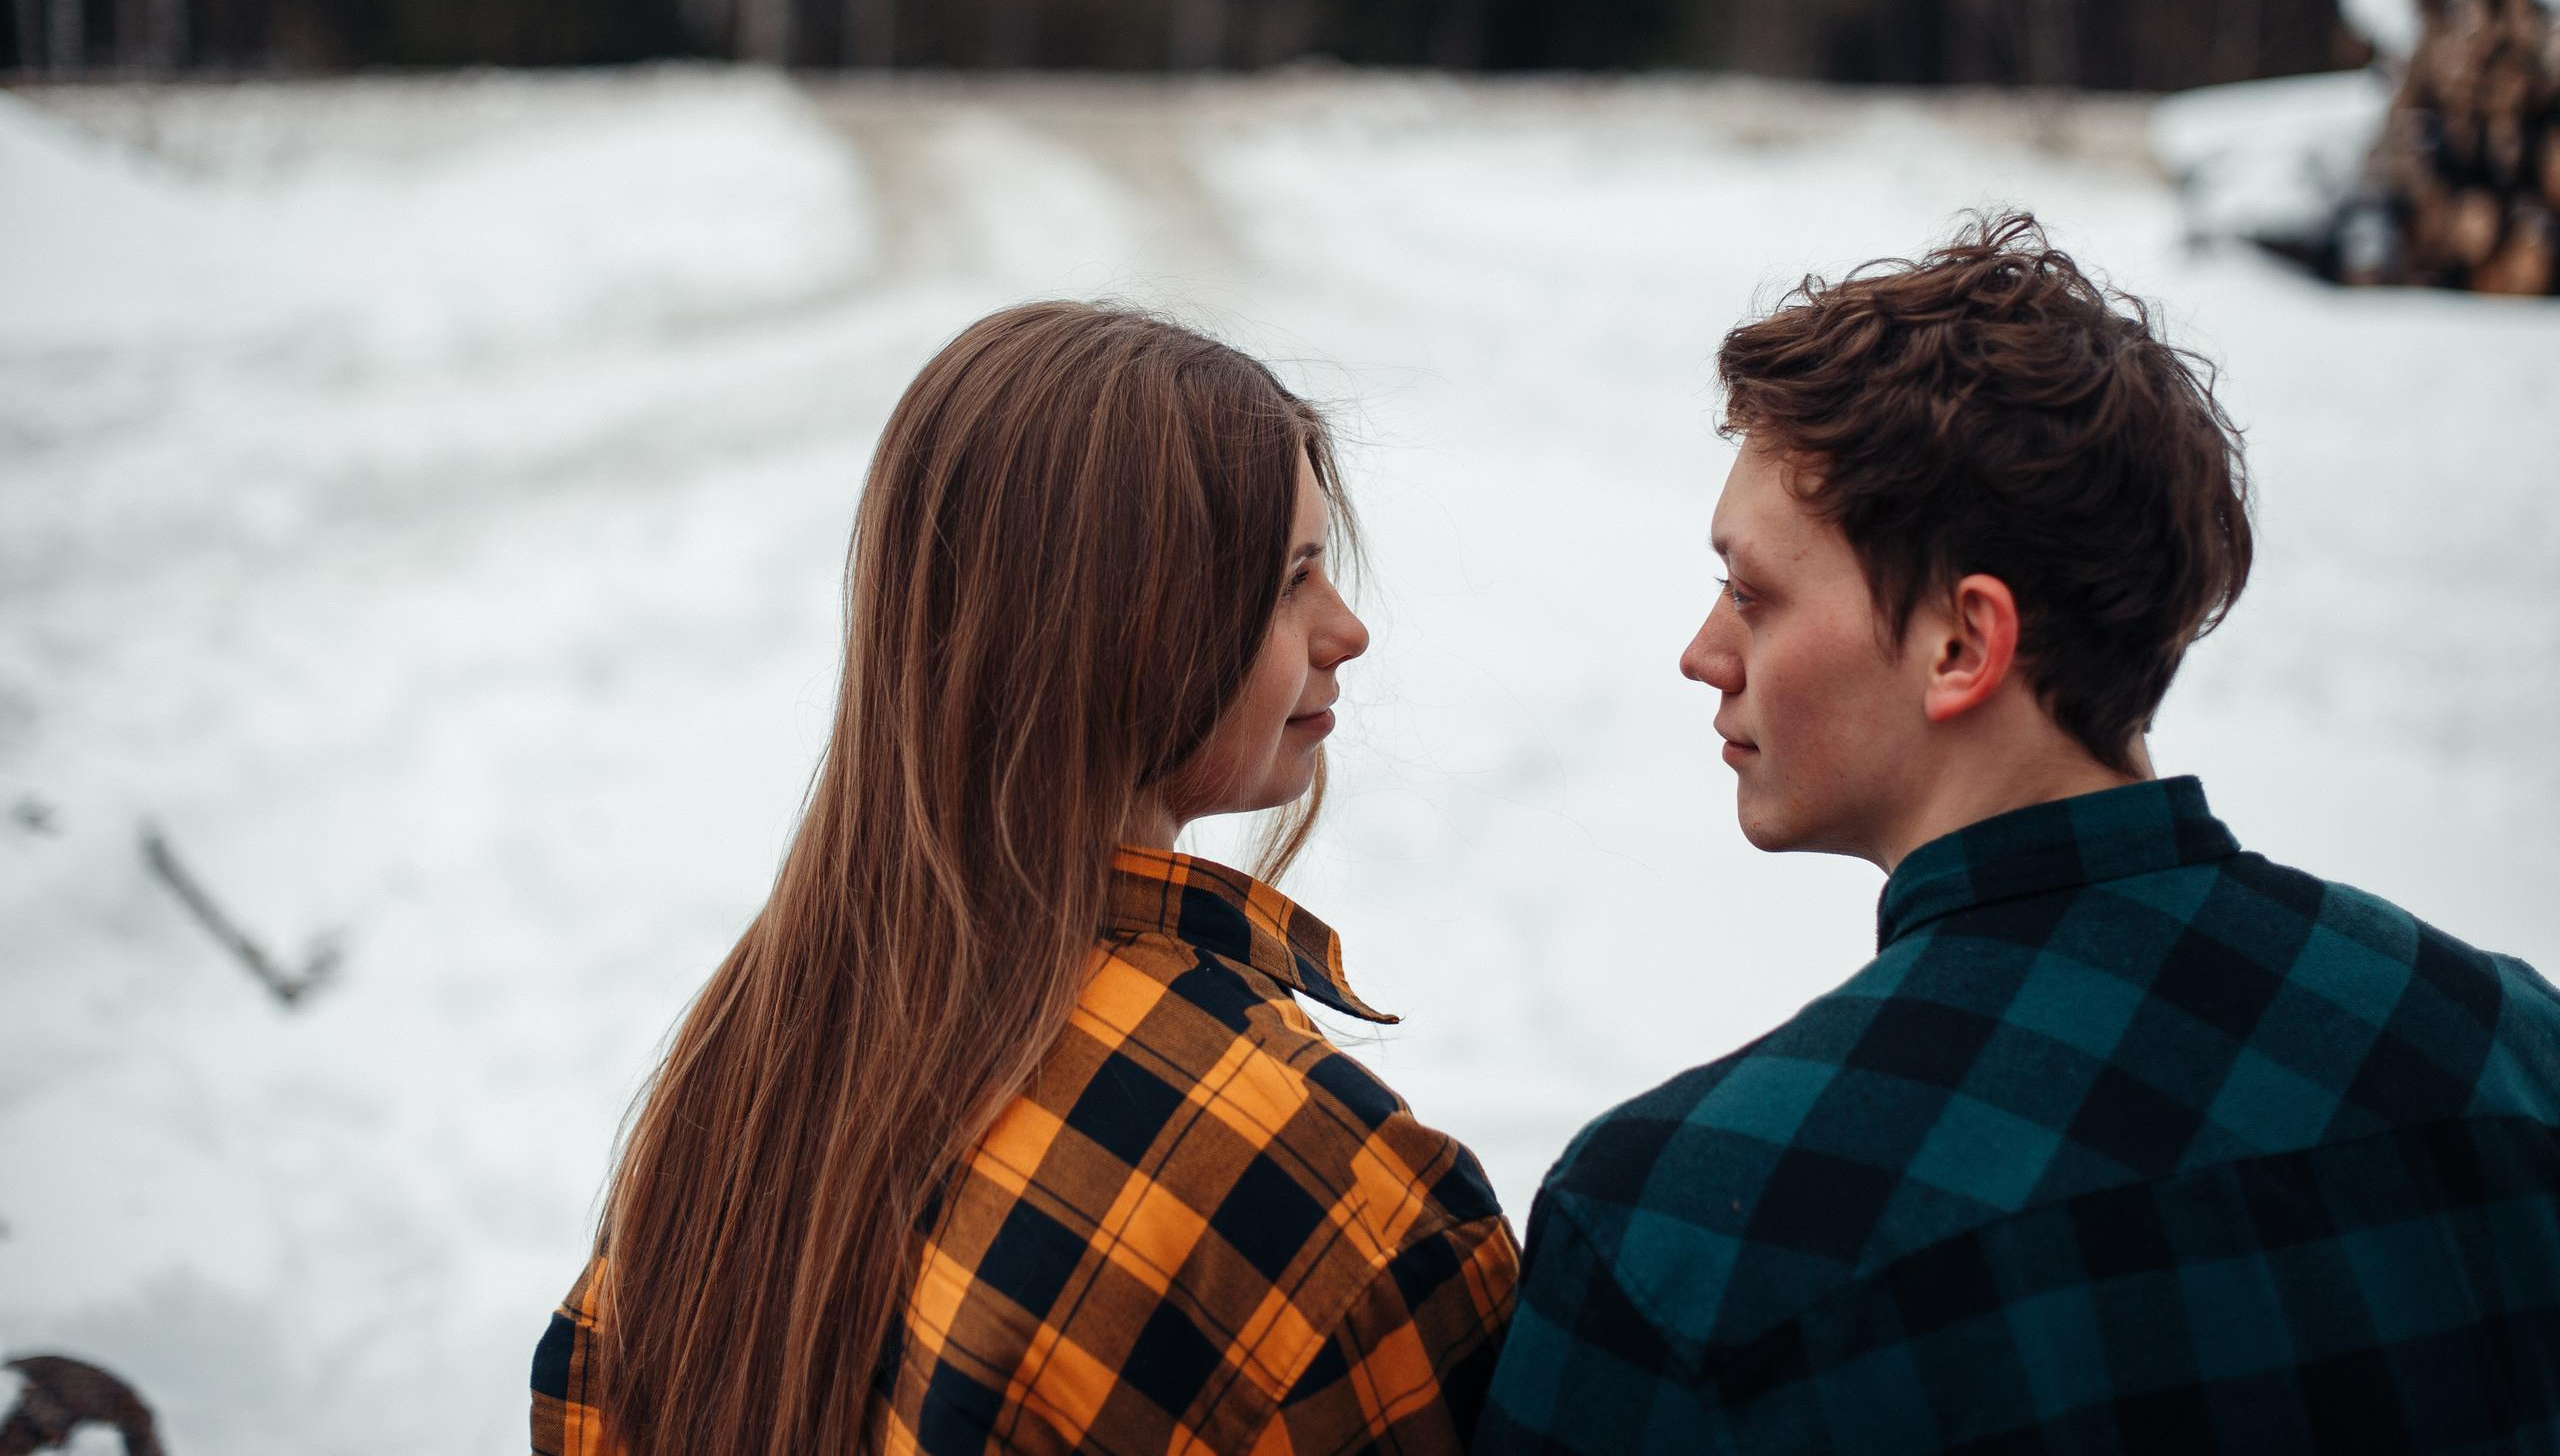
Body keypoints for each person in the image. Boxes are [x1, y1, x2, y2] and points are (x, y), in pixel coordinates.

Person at [1478, 214, 2560, 1452]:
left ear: (1962, 643)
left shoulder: (1691, 1231)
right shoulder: (2514, 1056)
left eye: (1751, 594)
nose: (1703, 652)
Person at [533, 302, 1517, 1456]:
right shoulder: (1311, 1181)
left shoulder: (753, 1065)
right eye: (1292, 578)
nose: (1345, 629)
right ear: (1128, 623)